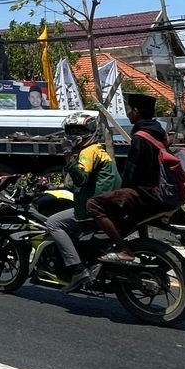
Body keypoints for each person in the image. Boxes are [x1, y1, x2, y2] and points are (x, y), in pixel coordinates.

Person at [85, 92, 173, 264]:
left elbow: (131, 173)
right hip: (160, 190)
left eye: (129, 109)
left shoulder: (140, 137)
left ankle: (123, 249)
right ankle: (137, 244)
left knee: (93, 204)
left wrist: (119, 191)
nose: (127, 113)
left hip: (147, 193)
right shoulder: (159, 132)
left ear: (136, 111)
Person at [39, 112, 121, 281]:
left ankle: (77, 268)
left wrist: (68, 156)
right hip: (107, 203)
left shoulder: (88, 152)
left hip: (95, 208)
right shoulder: (99, 150)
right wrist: (58, 186)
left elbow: (81, 177)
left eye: (79, 130)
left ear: (90, 131)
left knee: (53, 222)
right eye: (71, 131)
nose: (74, 135)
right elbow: (85, 182)